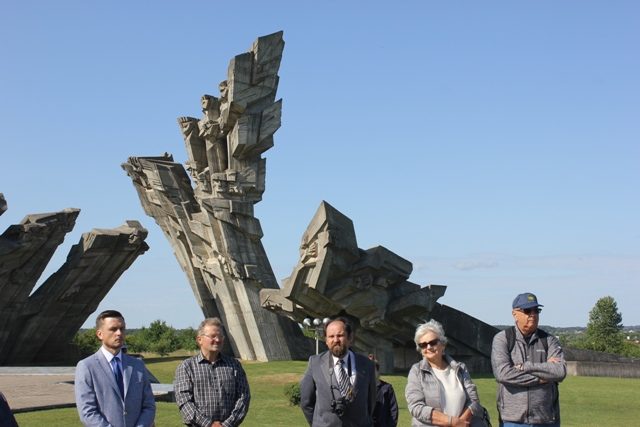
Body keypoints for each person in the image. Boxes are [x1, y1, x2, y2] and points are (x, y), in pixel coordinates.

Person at [491, 292, 566, 427]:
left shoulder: (549, 340)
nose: (533, 314)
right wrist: (542, 378)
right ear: (515, 314)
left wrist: (526, 367)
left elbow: (560, 371)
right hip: (512, 420)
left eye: (536, 310)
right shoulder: (503, 339)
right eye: (527, 310)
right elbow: (503, 374)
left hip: (545, 419)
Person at [75, 310, 156, 427]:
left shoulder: (138, 365)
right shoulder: (87, 367)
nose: (119, 333)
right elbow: (87, 411)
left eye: (122, 329)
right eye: (113, 329)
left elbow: (149, 405)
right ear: (99, 334)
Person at [300, 316, 377, 426]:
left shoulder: (366, 365)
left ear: (350, 337)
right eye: (331, 336)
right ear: (326, 340)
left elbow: (371, 402)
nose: (336, 340)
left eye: (340, 335)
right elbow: (306, 402)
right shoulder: (315, 363)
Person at [405, 319, 483, 427]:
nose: (428, 347)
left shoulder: (460, 368)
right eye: (423, 345)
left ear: (443, 344)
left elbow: (473, 400)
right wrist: (452, 422)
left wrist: (461, 423)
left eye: (432, 342)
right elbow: (416, 407)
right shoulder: (416, 371)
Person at [174, 317, 250, 427]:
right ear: (199, 339)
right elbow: (184, 401)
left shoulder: (234, 365)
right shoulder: (186, 367)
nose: (218, 340)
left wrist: (227, 424)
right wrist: (208, 425)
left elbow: (244, 397)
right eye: (213, 336)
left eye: (220, 336)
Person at [368, 355, 399, 427]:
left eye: (373, 370)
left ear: (378, 371)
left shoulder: (387, 388)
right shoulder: (363, 388)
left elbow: (393, 411)